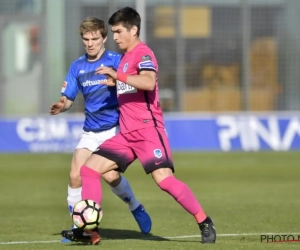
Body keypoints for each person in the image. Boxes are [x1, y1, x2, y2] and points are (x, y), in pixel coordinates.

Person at [62, 7, 216, 245]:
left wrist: (118, 76)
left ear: (134, 30)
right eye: (113, 32)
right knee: (89, 169)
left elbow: (148, 81)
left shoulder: (143, 53)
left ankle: (204, 221)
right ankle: (89, 230)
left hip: (147, 132)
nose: (115, 37)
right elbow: (129, 87)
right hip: (126, 134)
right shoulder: (124, 60)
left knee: (164, 181)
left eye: (119, 31)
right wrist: (116, 81)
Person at [49, 16, 152, 243]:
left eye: (94, 38)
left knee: (110, 175)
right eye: (86, 39)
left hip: (114, 129)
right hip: (90, 131)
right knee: (75, 175)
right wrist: (62, 106)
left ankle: (135, 207)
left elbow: (136, 85)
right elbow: (67, 99)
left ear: (104, 38)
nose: (90, 43)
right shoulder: (77, 66)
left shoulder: (118, 61)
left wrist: (118, 83)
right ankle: (82, 229)